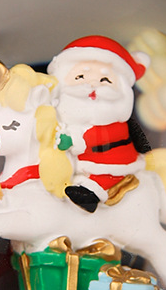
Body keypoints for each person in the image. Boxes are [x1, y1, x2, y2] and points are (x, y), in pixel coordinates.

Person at [47, 35, 150, 213]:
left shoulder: (112, 122)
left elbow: (93, 138)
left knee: (99, 179)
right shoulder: (56, 114)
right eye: (80, 76)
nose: (93, 84)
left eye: (105, 80)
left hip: (108, 161)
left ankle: (92, 195)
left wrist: (72, 140)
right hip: (79, 162)